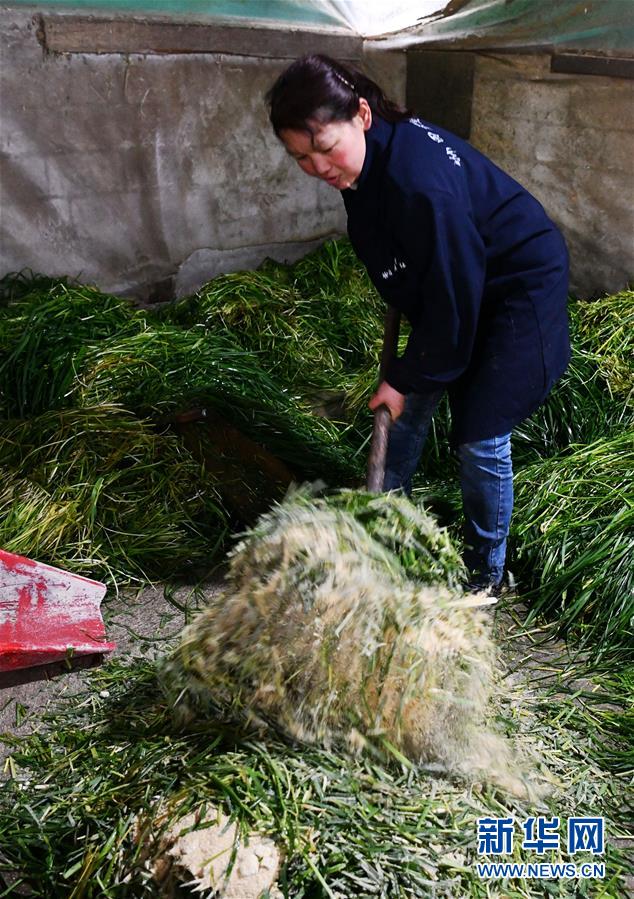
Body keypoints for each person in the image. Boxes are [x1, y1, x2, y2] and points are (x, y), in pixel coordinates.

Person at [266, 54, 570, 592]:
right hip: (458, 272)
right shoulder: (372, 160)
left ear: (361, 114)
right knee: (404, 397)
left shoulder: (418, 183)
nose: (318, 167)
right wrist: (410, 373)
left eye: (324, 147)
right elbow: (433, 277)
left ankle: (486, 576)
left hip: (515, 282)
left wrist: (408, 374)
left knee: (479, 430)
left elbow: (453, 296)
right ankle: (386, 522)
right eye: (301, 157)